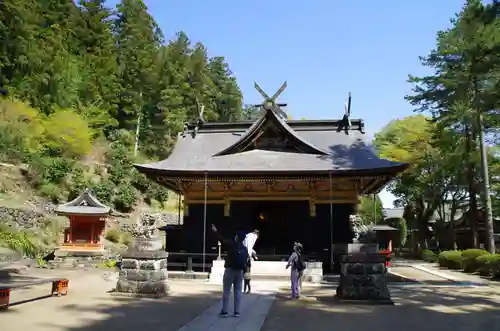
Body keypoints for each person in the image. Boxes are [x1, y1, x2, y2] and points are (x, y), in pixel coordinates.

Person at [211, 224, 249, 317]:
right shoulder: (244, 249)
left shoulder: (231, 245)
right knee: (238, 291)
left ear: (237, 237)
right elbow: (246, 261)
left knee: (227, 290)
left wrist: (215, 231)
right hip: (239, 271)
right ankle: (237, 311)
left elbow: (222, 240)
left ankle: (225, 311)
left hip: (230, 269)